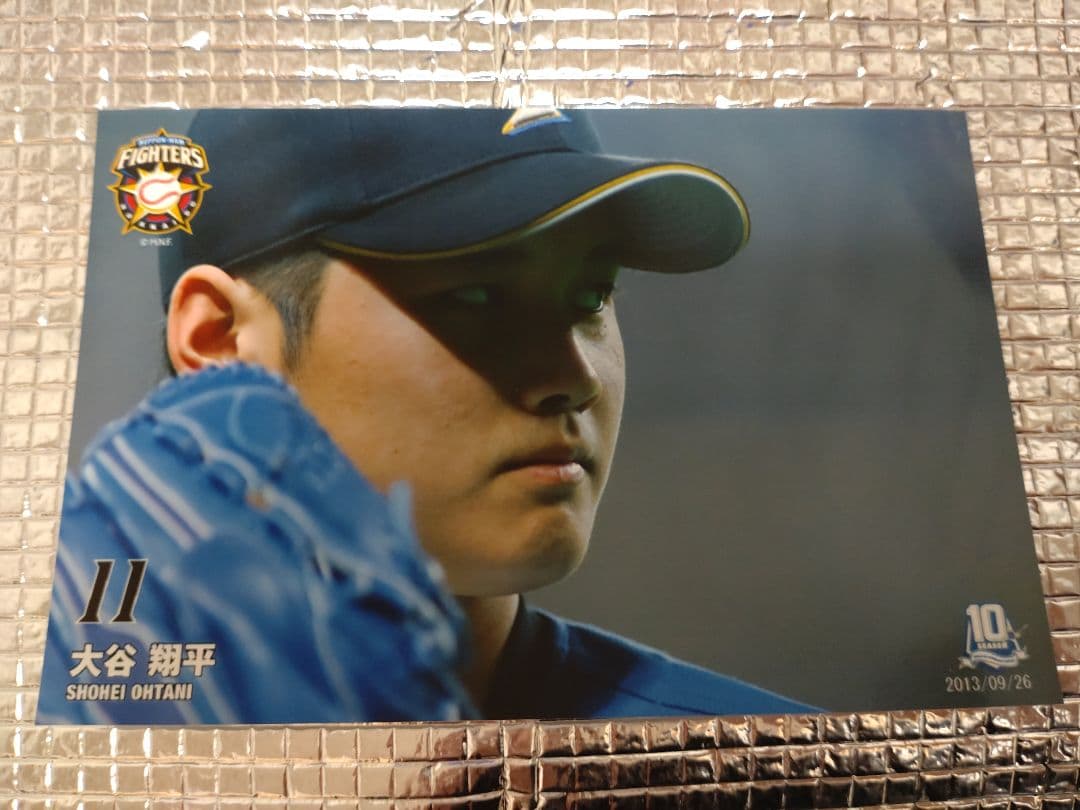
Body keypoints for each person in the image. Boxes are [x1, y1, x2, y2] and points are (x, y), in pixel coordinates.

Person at [38, 108, 815, 724]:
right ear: (221, 342)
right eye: (474, 296)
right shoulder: (61, 747)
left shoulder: (766, 771)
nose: (572, 378)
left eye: (591, 296)